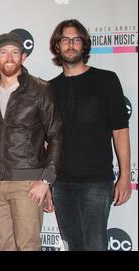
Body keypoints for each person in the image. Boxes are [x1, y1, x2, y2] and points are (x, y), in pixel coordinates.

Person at [49, 19, 131, 251]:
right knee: (72, 245)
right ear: (57, 46)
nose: (71, 44)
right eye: (65, 39)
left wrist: (124, 176)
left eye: (76, 39)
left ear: (84, 45)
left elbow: (120, 130)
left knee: (95, 245)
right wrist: (46, 182)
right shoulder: (49, 88)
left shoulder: (106, 80)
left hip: (97, 180)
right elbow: (47, 141)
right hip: (61, 182)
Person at [0, 33, 62, 251]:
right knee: (3, 246)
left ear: (23, 57)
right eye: (4, 52)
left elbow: (55, 135)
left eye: (15, 53)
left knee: (28, 246)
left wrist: (46, 180)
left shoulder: (40, 89)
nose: (9, 57)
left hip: (28, 183)